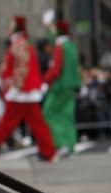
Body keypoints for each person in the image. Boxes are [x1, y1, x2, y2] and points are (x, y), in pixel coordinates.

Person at [0, 15, 57, 162]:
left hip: (21, 92)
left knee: (8, 121)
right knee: (37, 124)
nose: (8, 29)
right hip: (27, 92)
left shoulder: (19, 44)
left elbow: (21, 68)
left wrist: (14, 86)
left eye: (10, 26)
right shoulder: (22, 43)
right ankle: (48, 151)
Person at [43, 20, 81, 156]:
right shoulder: (72, 46)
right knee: (67, 115)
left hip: (59, 86)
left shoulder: (60, 47)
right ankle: (70, 145)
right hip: (71, 86)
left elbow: (56, 68)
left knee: (49, 113)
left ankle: (60, 143)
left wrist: (45, 81)